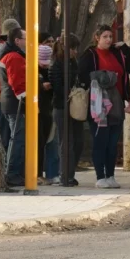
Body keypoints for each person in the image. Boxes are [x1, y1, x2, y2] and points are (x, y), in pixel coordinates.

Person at [77, 25, 130, 189]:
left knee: (112, 142)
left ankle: (110, 175)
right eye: (105, 36)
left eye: (110, 36)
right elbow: (83, 75)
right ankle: (100, 176)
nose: (109, 40)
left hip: (116, 102)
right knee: (100, 140)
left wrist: (125, 48)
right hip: (98, 103)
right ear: (97, 38)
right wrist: (104, 78)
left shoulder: (117, 53)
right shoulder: (90, 55)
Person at [50, 33, 83, 187]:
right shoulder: (57, 64)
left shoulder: (73, 62)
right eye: (73, 48)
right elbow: (57, 87)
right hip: (62, 106)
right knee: (66, 143)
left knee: (77, 141)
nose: (75, 52)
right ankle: (65, 175)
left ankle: (70, 173)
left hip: (74, 106)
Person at [0, 27, 27, 187]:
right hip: (16, 104)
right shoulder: (14, 57)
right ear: (17, 41)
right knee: (17, 139)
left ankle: (15, 173)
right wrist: (25, 99)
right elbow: (17, 82)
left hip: (11, 102)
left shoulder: (9, 55)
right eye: (25, 38)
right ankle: (12, 173)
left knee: (16, 138)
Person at [37, 39, 60, 185]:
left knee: (51, 141)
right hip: (38, 110)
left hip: (49, 109)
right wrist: (40, 86)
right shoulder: (32, 70)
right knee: (38, 143)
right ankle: (37, 173)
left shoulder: (52, 69)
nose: (44, 65)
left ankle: (52, 173)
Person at [0, 19, 21, 151]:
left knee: (6, 133)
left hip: (1, 94)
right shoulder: (7, 50)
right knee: (10, 135)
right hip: (6, 94)